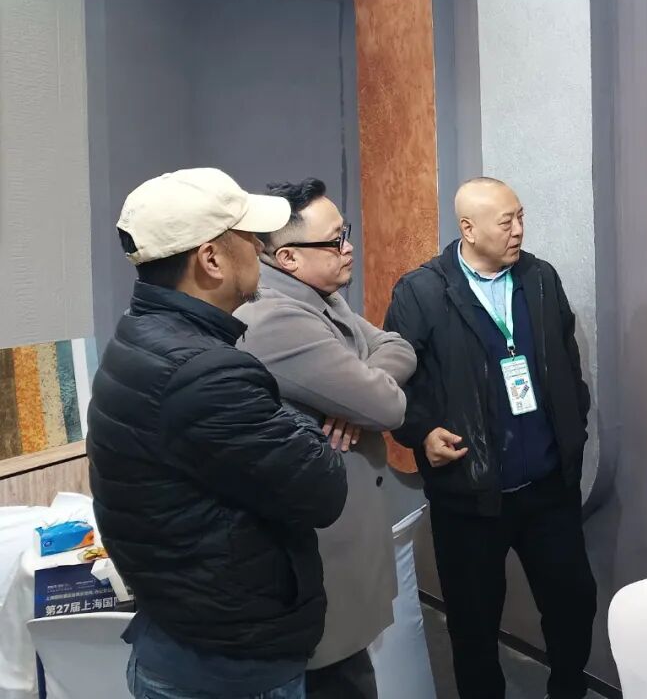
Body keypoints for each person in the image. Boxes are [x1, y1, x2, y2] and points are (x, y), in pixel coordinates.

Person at [87, 168, 348, 699]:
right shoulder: (207, 374)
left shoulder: (140, 334)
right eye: (248, 237)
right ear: (210, 259)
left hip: (180, 634)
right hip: (228, 666)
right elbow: (324, 489)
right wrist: (303, 416)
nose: (260, 249)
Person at [384, 177, 597, 699]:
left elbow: (567, 363)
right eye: (507, 222)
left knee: (573, 605)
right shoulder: (421, 292)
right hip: (469, 495)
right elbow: (396, 381)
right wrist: (420, 433)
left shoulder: (540, 279)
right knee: (473, 628)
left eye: (521, 217)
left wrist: (574, 423)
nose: (519, 230)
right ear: (469, 229)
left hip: (549, 487)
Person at [235, 178, 416, 699]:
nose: (348, 247)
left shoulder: (324, 299)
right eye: (335, 240)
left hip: (347, 536)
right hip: (319, 550)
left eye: (346, 232)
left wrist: (357, 394)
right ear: (287, 257)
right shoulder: (273, 317)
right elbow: (388, 406)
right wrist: (365, 397)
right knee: (337, 680)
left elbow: (398, 345)